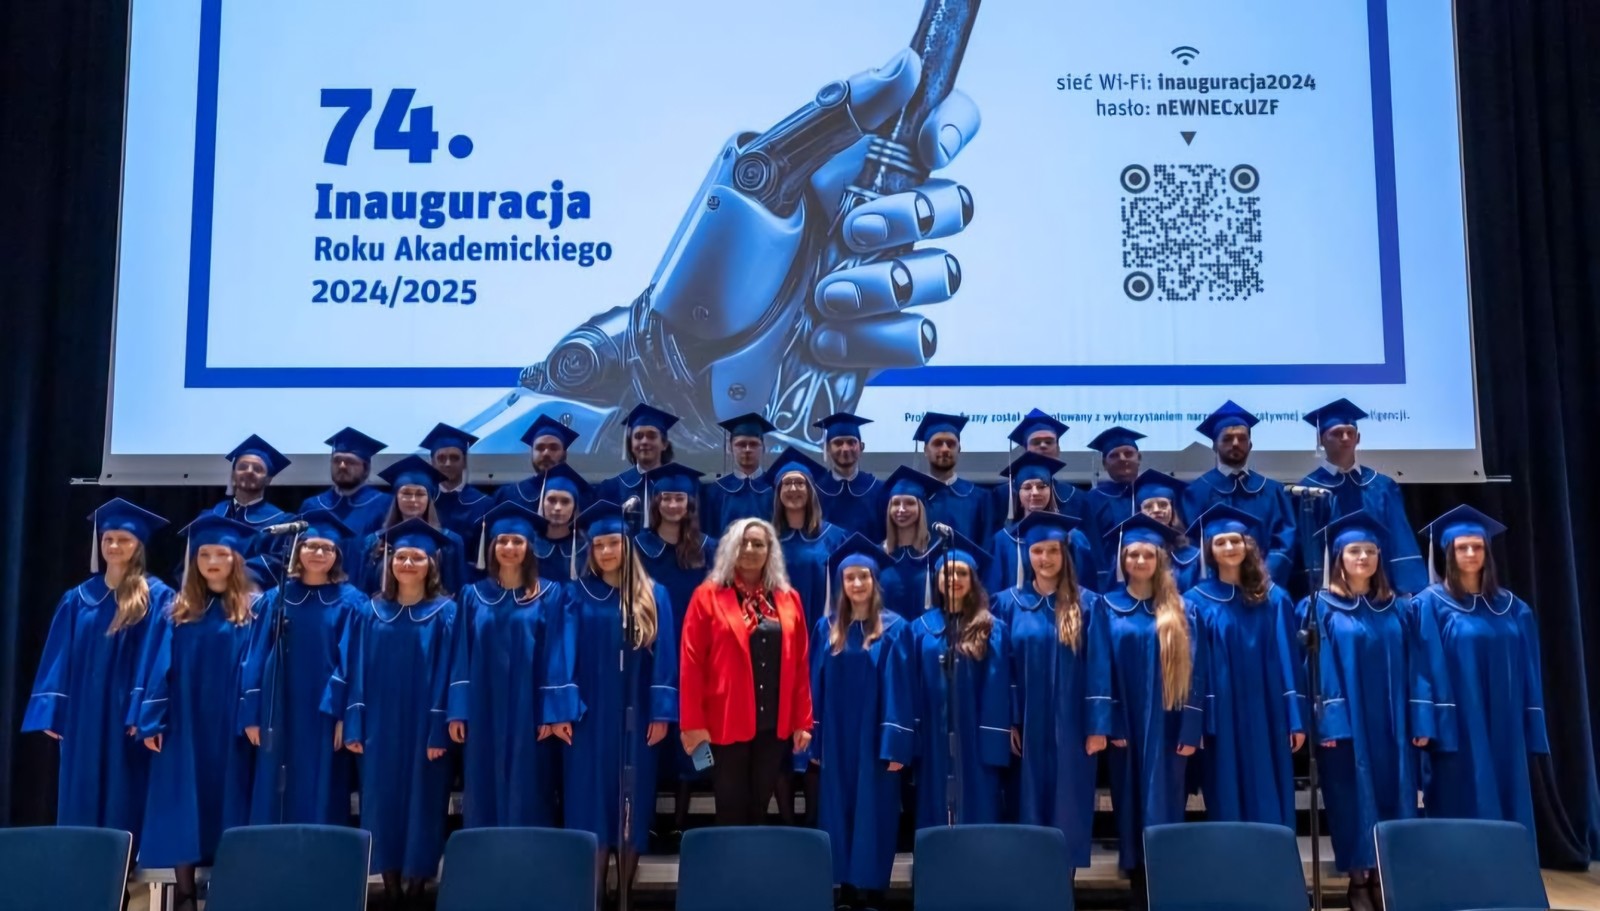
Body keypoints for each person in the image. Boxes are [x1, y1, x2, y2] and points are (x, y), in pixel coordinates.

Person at [1299, 511, 1435, 911]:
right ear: (1339, 557)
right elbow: (1317, 668)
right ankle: (1358, 882)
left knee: (1396, 793)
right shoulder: (1320, 606)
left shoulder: (1399, 608)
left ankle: (1385, 877)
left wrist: (1421, 719)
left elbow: (1418, 665)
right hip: (1348, 726)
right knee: (1352, 798)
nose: (1363, 557)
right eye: (1355, 551)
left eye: (1371, 551)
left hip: (1394, 724)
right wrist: (1330, 723)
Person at [327, 518, 458, 908]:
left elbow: (451, 673)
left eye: (417, 557)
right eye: (401, 556)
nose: (407, 563)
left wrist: (439, 729)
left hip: (425, 724)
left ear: (431, 564)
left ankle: (417, 888)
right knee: (380, 800)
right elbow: (353, 669)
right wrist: (354, 724)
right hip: (379, 725)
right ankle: (391, 887)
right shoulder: (369, 611)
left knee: (425, 801)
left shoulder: (446, 613)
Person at [24, 499, 173, 837]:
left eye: (124, 539)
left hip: (127, 715)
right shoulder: (77, 598)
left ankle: (123, 865)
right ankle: (79, 862)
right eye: (108, 539)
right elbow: (58, 656)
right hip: (83, 713)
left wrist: (146, 713)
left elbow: (159, 657)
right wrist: (53, 711)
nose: (114, 546)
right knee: (81, 789)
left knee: (126, 792)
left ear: (139, 545)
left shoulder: (157, 596)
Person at [134, 515, 260, 911]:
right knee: (182, 800)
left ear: (235, 559)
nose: (212, 562)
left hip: (229, 721)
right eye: (204, 554)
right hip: (185, 720)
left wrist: (252, 715)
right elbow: (158, 665)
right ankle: (185, 894)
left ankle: (228, 890)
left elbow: (259, 665)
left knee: (228, 796)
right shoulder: (177, 608)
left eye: (221, 553)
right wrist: (152, 720)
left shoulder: (252, 609)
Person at [557, 501, 678, 902]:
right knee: (589, 802)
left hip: (636, 715)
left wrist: (662, 713)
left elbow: (665, 659)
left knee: (632, 801)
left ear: (627, 546)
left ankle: (625, 894)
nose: (607, 551)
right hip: (588, 716)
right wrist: (563, 710)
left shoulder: (654, 595)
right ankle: (593, 896)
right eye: (599, 545)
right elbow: (563, 655)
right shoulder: (575, 594)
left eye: (614, 543)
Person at [1413, 506, 1548, 845]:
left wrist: (1532, 725)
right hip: (1457, 725)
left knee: (1508, 794)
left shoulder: (1514, 608)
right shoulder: (1429, 604)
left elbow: (1530, 672)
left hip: (1505, 724)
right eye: (1462, 547)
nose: (1471, 553)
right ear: (1449, 553)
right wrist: (1426, 724)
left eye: (1478, 546)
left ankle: (1509, 874)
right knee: (1463, 796)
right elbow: (1421, 668)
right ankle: (1460, 874)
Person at [994, 512, 1111, 873]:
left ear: (1065, 555)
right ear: (1027, 555)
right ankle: (1031, 887)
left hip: (1072, 723)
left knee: (1068, 803)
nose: (1044, 558)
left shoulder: (1089, 604)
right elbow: (1002, 668)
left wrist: (1098, 727)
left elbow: (1099, 668)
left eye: (1052, 551)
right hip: (1027, 723)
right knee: (1026, 802)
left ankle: (1064, 888)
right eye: (1037, 551)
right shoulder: (1006, 604)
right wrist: (1010, 720)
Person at [679, 517, 814, 826]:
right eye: (743, 543)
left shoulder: (788, 599)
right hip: (724, 722)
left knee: (758, 807)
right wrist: (693, 723)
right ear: (730, 548)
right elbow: (691, 663)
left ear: (770, 551)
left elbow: (800, 663)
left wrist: (803, 720)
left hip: (773, 724)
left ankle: (752, 858)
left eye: (758, 544)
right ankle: (728, 859)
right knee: (730, 809)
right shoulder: (707, 596)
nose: (750, 549)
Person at [238, 511, 365, 826]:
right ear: (297, 550)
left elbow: (352, 662)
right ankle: (273, 852)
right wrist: (252, 714)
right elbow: (255, 655)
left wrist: (344, 717)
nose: (318, 553)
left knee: (322, 785)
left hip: (325, 710)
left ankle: (317, 853)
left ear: (337, 555)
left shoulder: (352, 602)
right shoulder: (276, 598)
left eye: (327, 548)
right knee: (274, 786)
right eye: (310, 546)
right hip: (278, 706)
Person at [448, 501, 568, 829]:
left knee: (530, 780)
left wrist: (551, 712)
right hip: (483, 703)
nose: (509, 547)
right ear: (492, 546)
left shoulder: (549, 594)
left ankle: (527, 853)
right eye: (502, 541)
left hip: (529, 705)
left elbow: (556, 652)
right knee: (482, 776)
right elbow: (461, 655)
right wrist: (458, 711)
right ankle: (485, 852)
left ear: (530, 547)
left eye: (517, 541)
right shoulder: (472, 595)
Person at [1100, 513, 1206, 887]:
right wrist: (1110, 722)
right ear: (1122, 559)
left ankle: (1164, 878)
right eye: (1133, 554)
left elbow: (1196, 672)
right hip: (1125, 721)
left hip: (1169, 721)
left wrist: (1191, 729)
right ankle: (1136, 879)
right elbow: (1100, 668)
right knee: (1127, 796)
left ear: (1160, 559)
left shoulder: (1182, 609)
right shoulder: (1106, 606)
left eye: (1148, 554)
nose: (1140, 561)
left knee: (1168, 797)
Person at [1183, 505, 1304, 828]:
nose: (1229, 547)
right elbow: (1193, 668)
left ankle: (1273, 854)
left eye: (1236, 541)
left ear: (1248, 545)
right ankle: (1232, 856)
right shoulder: (1195, 601)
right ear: (1209, 550)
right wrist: (1196, 722)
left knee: (1269, 783)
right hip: (1221, 711)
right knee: (1225, 786)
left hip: (1268, 709)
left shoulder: (1274, 598)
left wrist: (1295, 719)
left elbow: (1289, 661)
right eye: (1220, 542)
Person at [882, 532, 1010, 828]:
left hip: (975, 733)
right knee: (933, 801)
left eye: (962, 573)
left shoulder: (992, 628)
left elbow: (997, 688)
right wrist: (910, 738)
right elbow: (906, 688)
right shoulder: (918, 629)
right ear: (937, 580)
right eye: (947, 573)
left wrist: (993, 740)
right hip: (932, 732)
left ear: (973, 580)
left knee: (979, 800)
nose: (954, 579)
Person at [810, 534, 905, 911]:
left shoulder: (895, 628)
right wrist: (815, 739)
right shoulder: (827, 627)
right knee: (839, 805)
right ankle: (846, 886)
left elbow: (901, 689)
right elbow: (814, 686)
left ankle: (875, 887)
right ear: (841, 583)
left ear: (875, 581)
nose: (857, 583)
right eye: (850, 577)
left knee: (876, 806)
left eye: (864, 576)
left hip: (876, 734)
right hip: (837, 734)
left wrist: (896, 743)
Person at [637, 462, 716, 836]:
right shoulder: (638, 548)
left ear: (690, 503)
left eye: (678, 498)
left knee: (695, 736)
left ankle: (684, 821)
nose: (672, 505)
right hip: (651, 655)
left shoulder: (709, 549)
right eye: (665, 498)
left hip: (697, 654)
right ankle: (650, 818)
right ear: (656, 503)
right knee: (653, 735)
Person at [1297, 399, 1427, 594]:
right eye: (1337, 433)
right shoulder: (1309, 489)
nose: (1345, 438)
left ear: (1358, 439)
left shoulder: (1382, 486)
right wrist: (1318, 589)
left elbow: (1400, 537)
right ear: (1321, 439)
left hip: (1381, 588)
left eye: (1350, 433)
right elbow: (1308, 545)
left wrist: (1406, 588)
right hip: (1332, 592)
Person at [1181, 402, 1295, 586]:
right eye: (1227, 439)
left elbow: (1284, 541)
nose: (1235, 443)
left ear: (1250, 445)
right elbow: (1193, 545)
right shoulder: (1196, 492)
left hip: (1264, 586)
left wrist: (1264, 578)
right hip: (1215, 589)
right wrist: (1218, 583)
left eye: (1242, 438)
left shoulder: (1272, 491)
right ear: (1214, 445)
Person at [350, 455, 469, 595]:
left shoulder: (450, 542)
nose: (413, 500)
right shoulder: (374, 542)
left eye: (420, 494)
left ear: (429, 499)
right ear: (396, 497)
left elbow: (458, 593)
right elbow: (363, 592)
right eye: (406, 493)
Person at [988, 452, 1095, 594]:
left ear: (1051, 490)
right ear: (1018, 494)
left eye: (1042, 486)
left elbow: (1087, 590)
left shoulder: (1074, 537)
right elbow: (995, 590)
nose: (1035, 492)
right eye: (1027, 487)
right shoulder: (1003, 540)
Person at [993, 409, 1101, 546]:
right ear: (1025, 450)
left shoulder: (1076, 497)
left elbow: (1091, 545)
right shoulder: (1002, 495)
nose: (1043, 446)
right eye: (1036, 442)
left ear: (1058, 449)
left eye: (1049, 442)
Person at [208, 435, 295, 574]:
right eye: (243, 467)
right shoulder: (211, 516)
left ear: (268, 479)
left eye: (258, 469)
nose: (249, 471)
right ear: (233, 475)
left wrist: (233, 573)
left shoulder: (281, 522)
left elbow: (278, 563)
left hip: (255, 587)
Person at [298, 427, 394, 539]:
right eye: (337, 461)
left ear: (366, 468)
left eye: (350, 462)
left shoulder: (385, 503)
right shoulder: (312, 505)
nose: (342, 466)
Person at [1084, 426, 1147, 591]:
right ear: (1105, 464)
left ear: (1139, 457)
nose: (1122, 459)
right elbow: (1092, 545)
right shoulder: (1093, 500)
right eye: (1114, 456)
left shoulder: (1154, 495)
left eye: (1128, 453)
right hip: (1111, 582)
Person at [914, 411, 992, 542]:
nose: (945, 449)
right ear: (926, 450)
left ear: (959, 449)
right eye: (937, 443)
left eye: (951, 444)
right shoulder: (914, 496)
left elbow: (986, 545)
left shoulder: (979, 497)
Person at [878, 465, 940, 622]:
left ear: (921, 508)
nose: (901, 509)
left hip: (927, 633)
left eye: (910, 503)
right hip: (889, 634)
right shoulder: (878, 554)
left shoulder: (936, 552)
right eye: (895, 503)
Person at [421, 422, 493, 557]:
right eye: (441, 458)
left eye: (454, 458)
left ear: (464, 462)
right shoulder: (422, 502)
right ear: (432, 462)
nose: (448, 463)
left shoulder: (484, 504)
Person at [812, 412, 885, 541]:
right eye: (838, 443)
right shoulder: (815, 491)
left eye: (851, 442)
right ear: (828, 448)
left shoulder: (878, 489)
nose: (845, 448)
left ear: (861, 447)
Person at [598, 404, 679, 514]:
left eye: (652, 436)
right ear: (631, 445)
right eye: (638, 436)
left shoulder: (681, 487)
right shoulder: (613, 488)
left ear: (664, 444)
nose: (644, 441)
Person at [704, 412, 777, 532]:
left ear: (763, 448)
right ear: (730, 448)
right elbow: (709, 534)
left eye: (753, 444)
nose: (747, 449)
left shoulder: (775, 488)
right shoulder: (715, 491)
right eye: (741, 444)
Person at [1134, 470, 1202, 592]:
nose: (1156, 510)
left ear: (1173, 510)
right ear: (1139, 512)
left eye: (1163, 505)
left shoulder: (1194, 556)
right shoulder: (1129, 555)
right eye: (1148, 506)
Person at [495, 415, 582, 508]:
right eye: (540, 448)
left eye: (553, 448)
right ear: (532, 453)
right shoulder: (509, 495)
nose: (546, 453)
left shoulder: (583, 494)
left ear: (564, 454)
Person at [535, 463, 593, 583]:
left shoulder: (586, 547)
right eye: (551, 500)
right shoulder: (529, 544)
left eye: (565, 501)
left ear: (575, 507)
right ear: (542, 503)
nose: (557, 508)